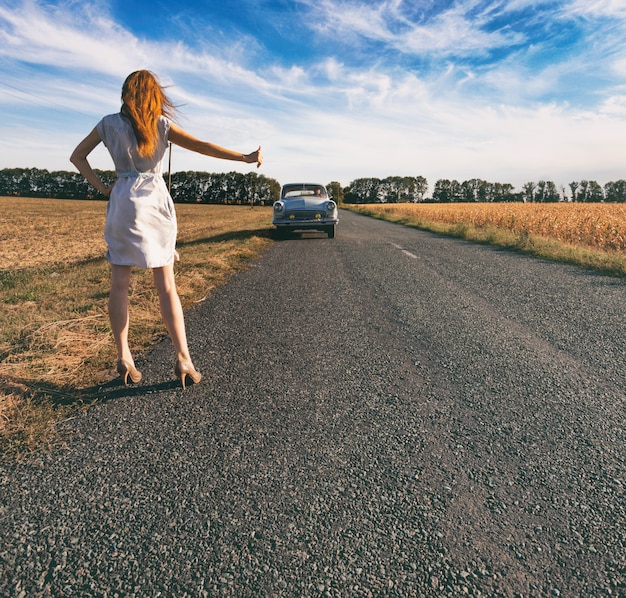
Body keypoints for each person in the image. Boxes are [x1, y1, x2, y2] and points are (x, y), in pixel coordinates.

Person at [70, 70, 262, 389]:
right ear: (153, 95)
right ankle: (184, 359)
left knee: (119, 285)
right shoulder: (160, 124)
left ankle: (124, 355)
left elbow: (77, 157)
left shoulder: (107, 123)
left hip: (121, 200)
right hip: (153, 203)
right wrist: (245, 157)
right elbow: (203, 146)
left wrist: (104, 187)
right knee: (166, 286)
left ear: (125, 94)